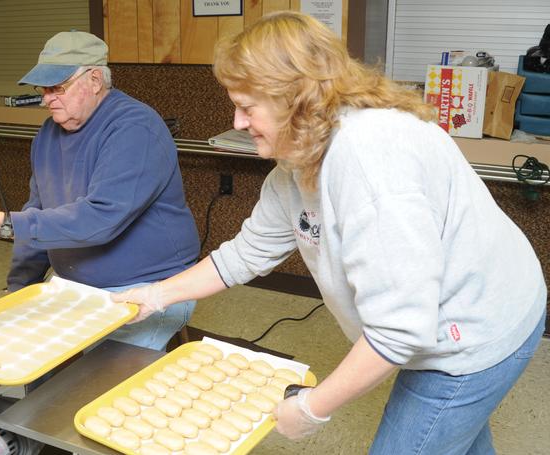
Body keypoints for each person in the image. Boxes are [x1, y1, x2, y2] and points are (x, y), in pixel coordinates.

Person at [112, 11, 547, 454]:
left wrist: (312, 407)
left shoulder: (370, 164)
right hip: (440, 315)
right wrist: (158, 294)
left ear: (295, 100)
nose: (238, 122)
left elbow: (399, 331)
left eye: (247, 107)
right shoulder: (299, 158)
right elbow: (244, 254)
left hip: (478, 326)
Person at [0, 31, 200, 351]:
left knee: (99, 381)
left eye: (58, 87)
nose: (47, 99)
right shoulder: (48, 134)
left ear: (95, 80)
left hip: (146, 286)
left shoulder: (134, 128)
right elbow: (38, 217)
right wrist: (16, 292)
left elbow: (100, 220)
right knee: (17, 350)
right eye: (43, 89)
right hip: (75, 285)